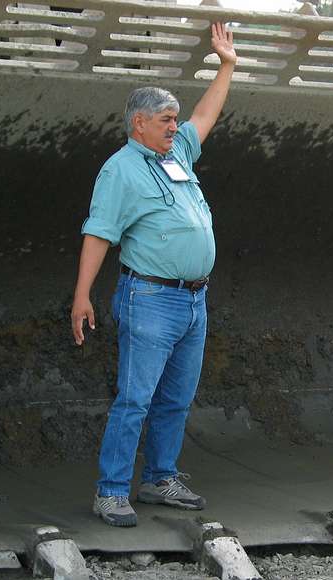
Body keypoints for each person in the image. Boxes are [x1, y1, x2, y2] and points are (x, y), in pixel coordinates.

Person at [69, 23, 236, 527]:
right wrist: (83, 297)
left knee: (176, 398)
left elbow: (206, 115)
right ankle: (111, 489)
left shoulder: (177, 152)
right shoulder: (120, 169)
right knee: (135, 399)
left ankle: (160, 477)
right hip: (149, 298)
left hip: (192, 301)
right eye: (166, 120)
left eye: (175, 120)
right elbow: (98, 233)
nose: (175, 126)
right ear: (138, 123)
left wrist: (226, 64)